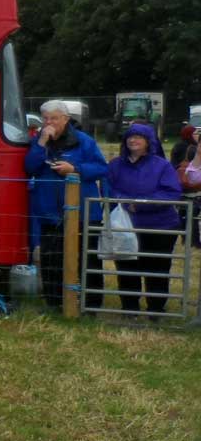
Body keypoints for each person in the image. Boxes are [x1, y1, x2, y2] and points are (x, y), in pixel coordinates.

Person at [24, 100, 109, 309]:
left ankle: (90, 304)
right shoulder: (38, 141)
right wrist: (42, 142)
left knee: (87, 260)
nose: (49, 122)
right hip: (49, 212)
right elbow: (30, 167)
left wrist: (75, 168)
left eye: (54, 118)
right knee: (51, 260)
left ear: (66, 119)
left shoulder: (84, 141)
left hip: (83, 213)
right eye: (45, 118)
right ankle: (54, 303)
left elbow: (101, 168)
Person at [106, 122, 183, 315]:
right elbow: (109, 188)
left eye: (139, 137)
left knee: (157, 268)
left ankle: (156, 308)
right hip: (125, 225)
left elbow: (171, 192)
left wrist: (141, 203)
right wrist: (124, 201)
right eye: (130, 136)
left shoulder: (162, 166)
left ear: (149, 142)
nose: (133, 140)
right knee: (126, 265)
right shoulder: (115, 165)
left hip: (160, 226)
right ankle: (129, 306)